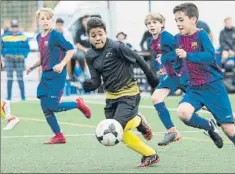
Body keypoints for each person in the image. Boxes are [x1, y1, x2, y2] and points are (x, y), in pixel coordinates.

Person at [160, 3, 235, 173]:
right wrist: (174, 70)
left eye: (181, 19)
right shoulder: (177, 38)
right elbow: (177, 61)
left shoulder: (202, 35)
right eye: (176, 20)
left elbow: (210, 56)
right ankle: (209, 126)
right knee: (183, 112)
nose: (178, 23)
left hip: (213, 87)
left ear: (193, 19)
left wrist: (188, 55)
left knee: (229, 129)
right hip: (194, 88)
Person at [82, 17, 160, 167]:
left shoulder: (117, 47)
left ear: (105, 33)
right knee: (118, 132)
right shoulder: (89, 55)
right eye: (93, 35)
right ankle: (149, 153)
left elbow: (138, 59)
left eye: (100, 34)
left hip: (128, 93)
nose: (98, 38)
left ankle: (138, 122)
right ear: (89, 37)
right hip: (111, 97)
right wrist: (90, 85)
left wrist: (152, 78)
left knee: (116, 127)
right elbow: (96, 81)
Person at [26, 8, 91, 144]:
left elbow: (71, 49)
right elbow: (44, 58)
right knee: (45, 106)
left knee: (53, 106)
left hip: (57, 75)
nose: (45, 21)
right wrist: (32, 67)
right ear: (38, 21)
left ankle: (77, 104)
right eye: (42, 18)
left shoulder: (56, 35)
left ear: (53, 20)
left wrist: (62, 64)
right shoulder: (39, 37)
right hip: (45, 76)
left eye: (48, 18)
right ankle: (59, 136)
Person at [144, 12, 181, 146]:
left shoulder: (167, 37)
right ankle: (172, 131)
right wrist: (157, 67)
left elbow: (178, 52)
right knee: (156, 98)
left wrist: (164, 59)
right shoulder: (151, 40)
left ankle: (233, 119)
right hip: (171, 76)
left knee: (204, 104)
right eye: (149, 23)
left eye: (154, 22)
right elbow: (156, 56)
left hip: (182, 74)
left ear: (162, 24)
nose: (151, 25)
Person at [1, 19, 30, 101]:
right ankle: (9, 97)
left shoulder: (23, 36)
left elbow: (27, 48)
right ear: (11, 27)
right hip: (9, 59)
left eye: (15, 27)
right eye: (13, 27)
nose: (14, 29)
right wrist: (4, 55)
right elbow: (1, 47)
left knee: (20, 78)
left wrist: (24, 55)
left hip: (20, 60)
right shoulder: (5, 36)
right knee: (9, 78)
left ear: (18, 27)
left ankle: (23, 97)